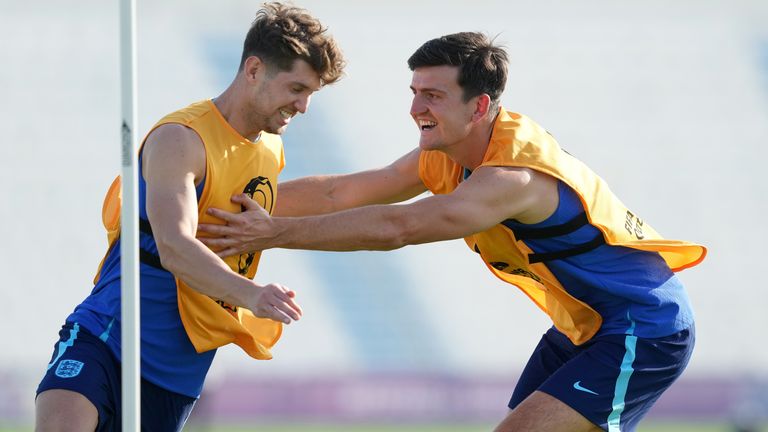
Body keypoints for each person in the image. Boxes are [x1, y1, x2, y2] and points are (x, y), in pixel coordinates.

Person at [198, 32, 706, 432]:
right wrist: (216, 201)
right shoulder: (447, 153)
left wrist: (269, 232)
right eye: (416, 93)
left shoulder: (512, 179)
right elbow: (346, 192)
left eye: (434, 96)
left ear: (480, 106)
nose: (417, 109)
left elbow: (399, 227)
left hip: (643, 326)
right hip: (586, 324)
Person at [35, 3, 345, 431]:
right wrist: (251, 295)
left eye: (311, 93)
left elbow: (337, 192)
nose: (304, 106)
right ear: (254, 69)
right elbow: (175, 247)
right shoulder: (181, 139)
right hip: (111, 335)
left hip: (180, 370)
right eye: (297, 88)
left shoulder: (270, 150)